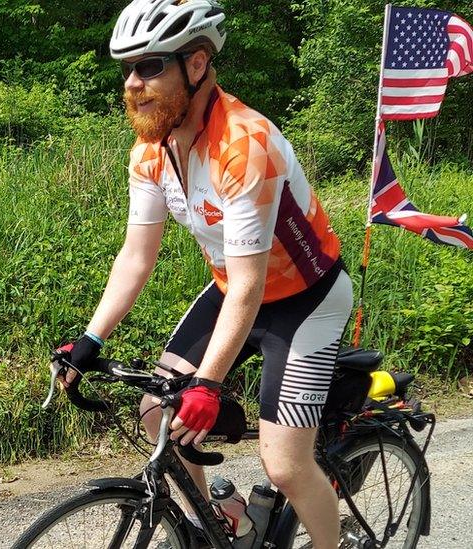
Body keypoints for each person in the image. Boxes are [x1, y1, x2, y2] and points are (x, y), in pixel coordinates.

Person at [54, 1, 353, 547]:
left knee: (285, 463)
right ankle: (218, 523)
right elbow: (136, 256)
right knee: (156, 412)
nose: (133, 84)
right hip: (236, 290)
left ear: (195, 65)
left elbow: (251, 284)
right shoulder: (151, 149)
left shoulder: (244, 144)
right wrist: (91, 339)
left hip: (307, 299)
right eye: (127, 69)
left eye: (149, 67)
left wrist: (208, 385)